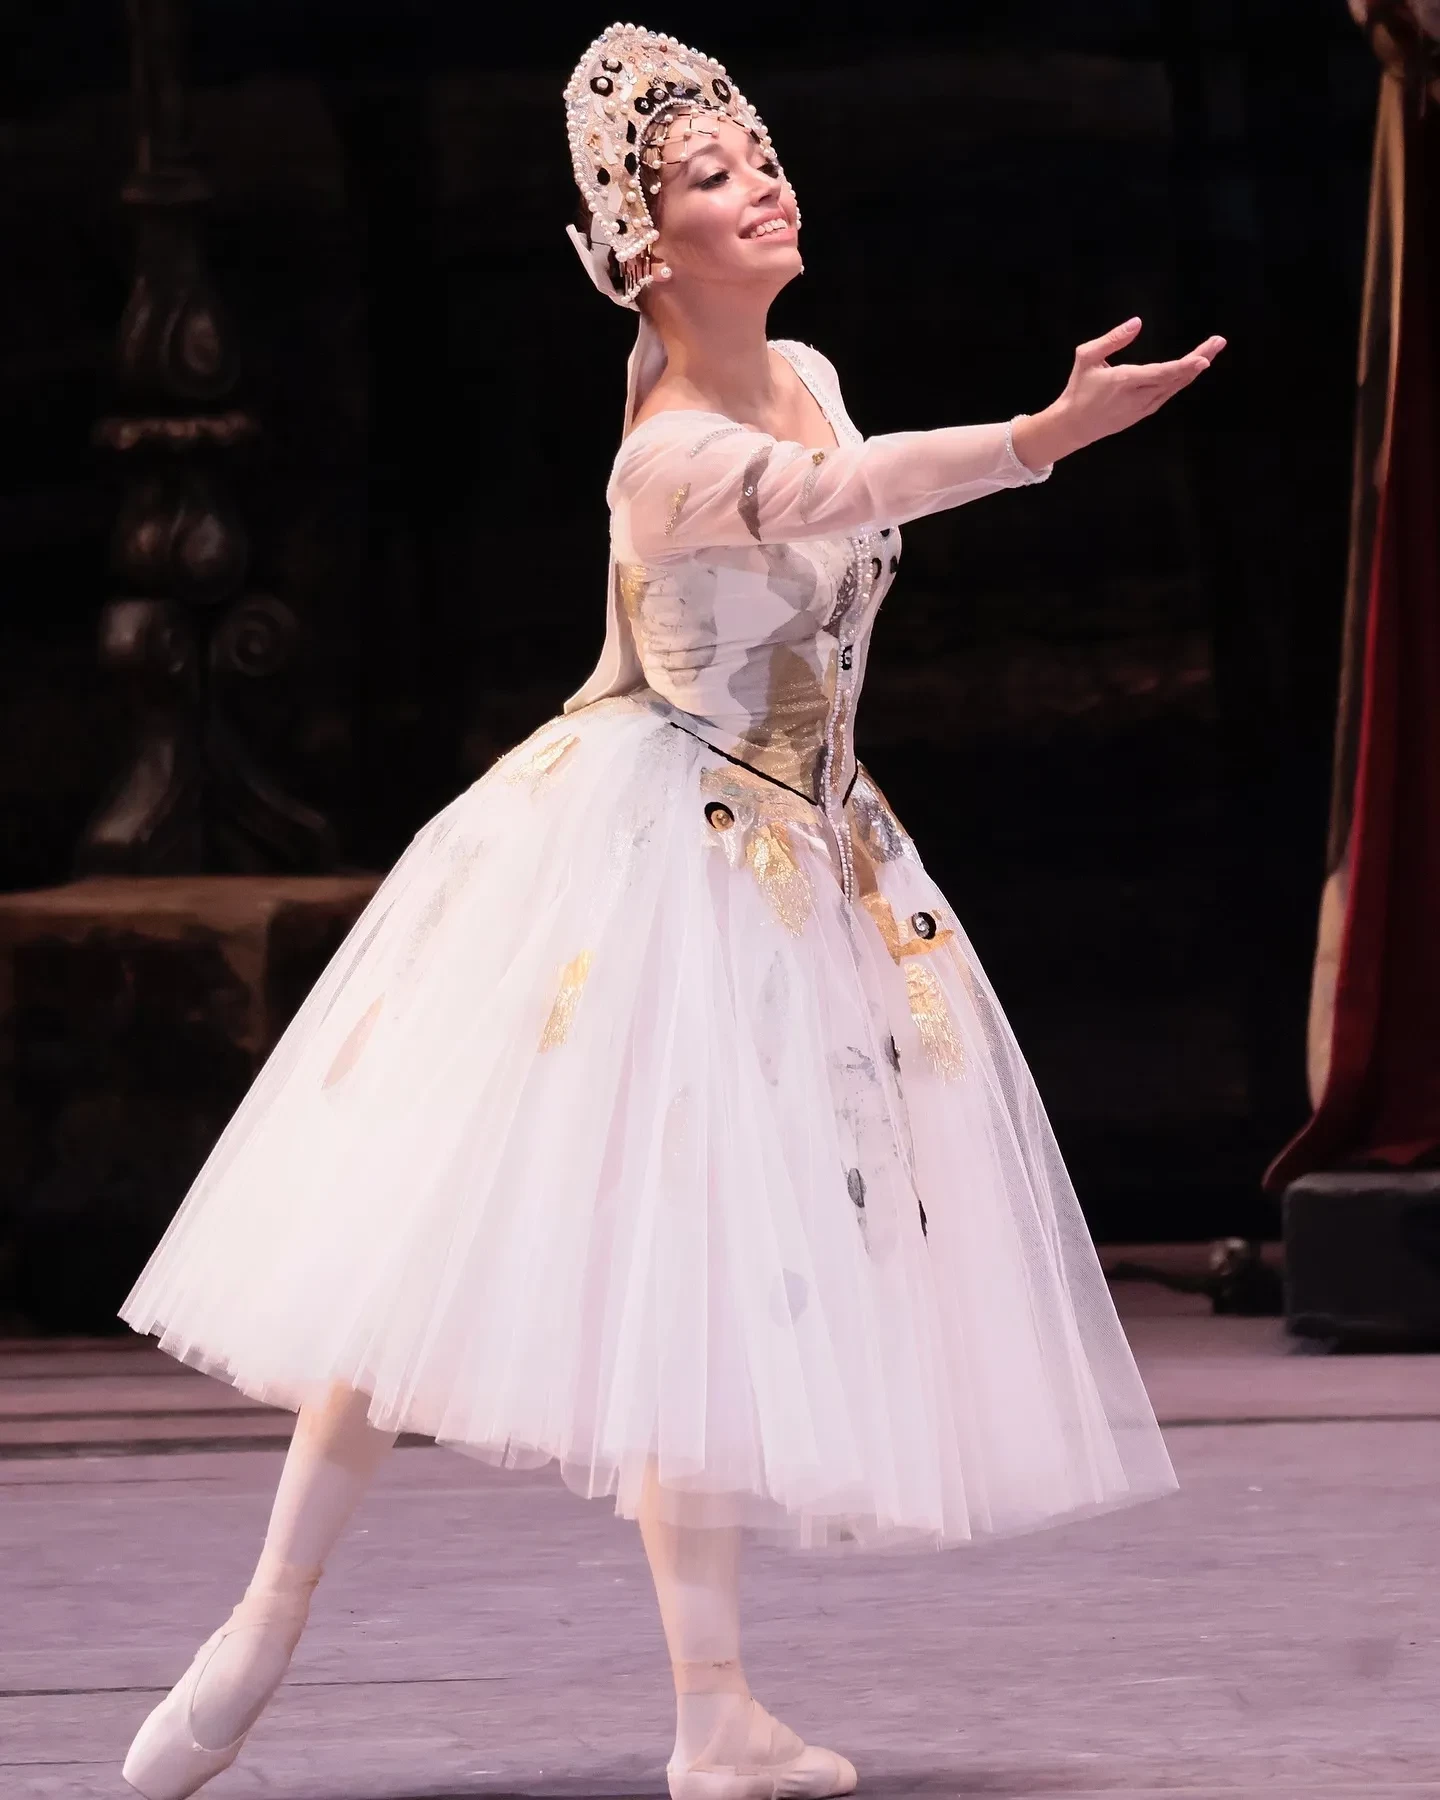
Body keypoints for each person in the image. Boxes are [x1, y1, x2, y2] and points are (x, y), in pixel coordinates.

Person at [118, 23, 1225, 1800]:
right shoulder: (669, 451)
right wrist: (1041, 436)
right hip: (652, 852)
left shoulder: (813, 368)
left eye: (758, 153)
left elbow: (837, 510)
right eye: (711, 175)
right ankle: (259, 1625)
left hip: (802, 854)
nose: (761, 183)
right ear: (643, 249)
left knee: (699, 1274)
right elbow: (836, 499)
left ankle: (714, 1714)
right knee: (428, 1241)